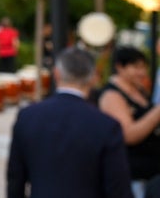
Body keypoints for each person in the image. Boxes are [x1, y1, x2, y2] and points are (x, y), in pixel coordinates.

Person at [8, 46, 133, 198]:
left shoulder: (27, 116)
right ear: (93, 77)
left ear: (56, 74)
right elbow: (118, 189)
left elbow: (15, 179)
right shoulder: (106, 125)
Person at [97, 46, 160, 197]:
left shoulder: (139, 91)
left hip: (150, 176)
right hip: (134, 178)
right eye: (136, 67)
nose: (142, 73)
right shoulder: (112, 95)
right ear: (120, 67)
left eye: (144, 67)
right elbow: (129, 135)